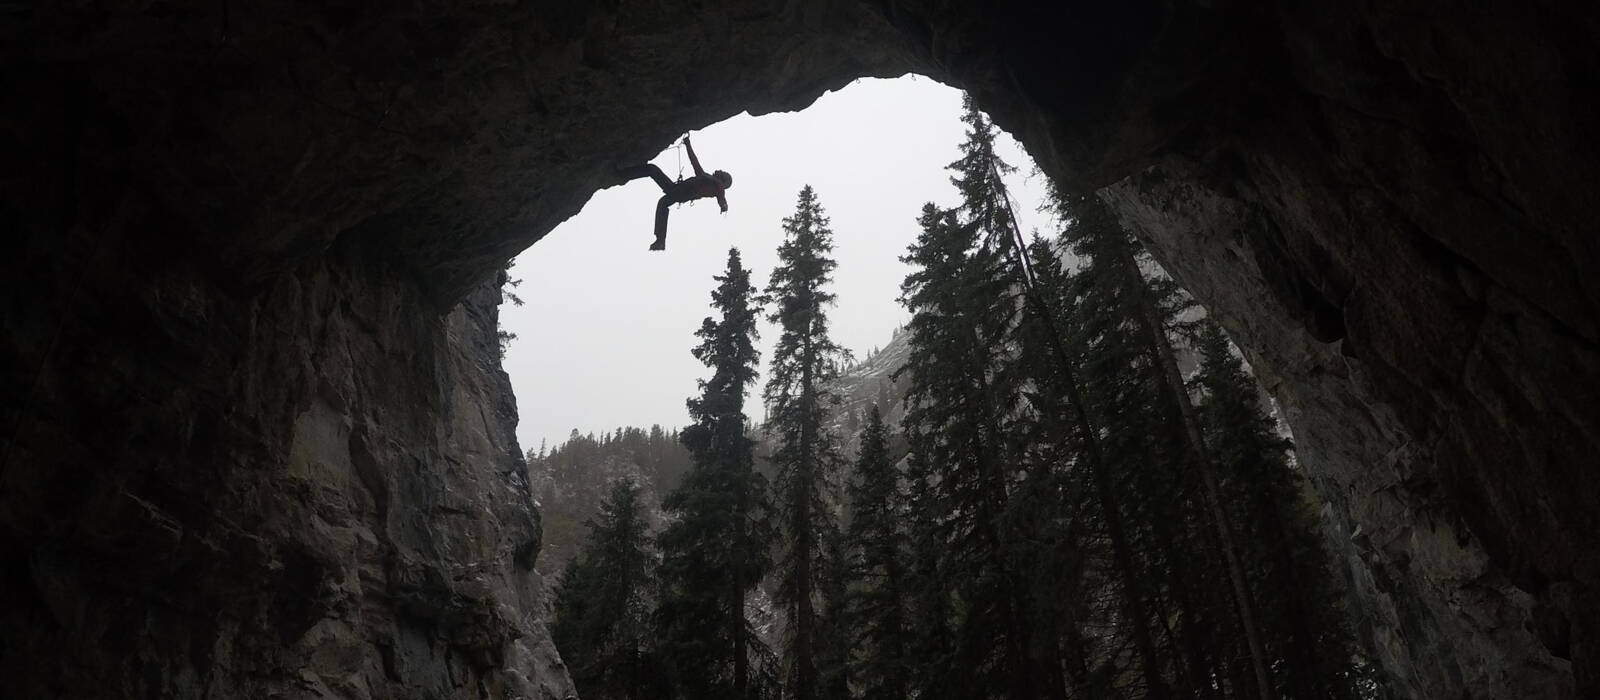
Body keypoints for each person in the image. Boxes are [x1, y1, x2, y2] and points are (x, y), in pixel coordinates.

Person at [618, 136, 732, 250]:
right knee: (662, 200)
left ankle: (623, 173)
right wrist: (688, 144)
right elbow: (695, 162)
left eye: (723, 172)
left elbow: (721, 194)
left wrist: (723, 205)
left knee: (652, 171)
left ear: (723, 179)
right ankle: (660, 240)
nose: (720, 170)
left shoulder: (717, 185)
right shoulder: (707, 179)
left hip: (683, 192)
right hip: (681, 192)